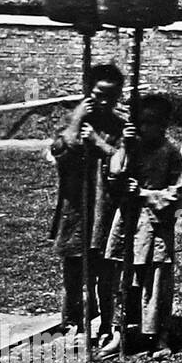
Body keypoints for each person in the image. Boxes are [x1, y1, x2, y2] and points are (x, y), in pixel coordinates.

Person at [101, 94, 182, 359]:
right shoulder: (130, 147)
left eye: (153, 123)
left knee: (156, 279)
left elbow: (179, 193)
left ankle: (159, 335)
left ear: (163, 125)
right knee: (122, 278)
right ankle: (120, 332)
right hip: (128, 221)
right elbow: (114, 174)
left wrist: (147, 194)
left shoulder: (170, 152)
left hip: (155, 224)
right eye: (142, 123)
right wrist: (125, 146)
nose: (146, 128)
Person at [49, 63, 126, 344]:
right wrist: (75, 122)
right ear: (88, 93)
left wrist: (98, 142)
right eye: (98, 95)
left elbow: (125, 161)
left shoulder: (119, 128)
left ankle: (107, 324)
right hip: (76, 210)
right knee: (74, 272)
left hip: (105, 210)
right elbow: (59, 152)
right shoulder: (74, 122)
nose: (104, 102)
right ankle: (76, 324)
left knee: (105, 272)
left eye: (112, 96)